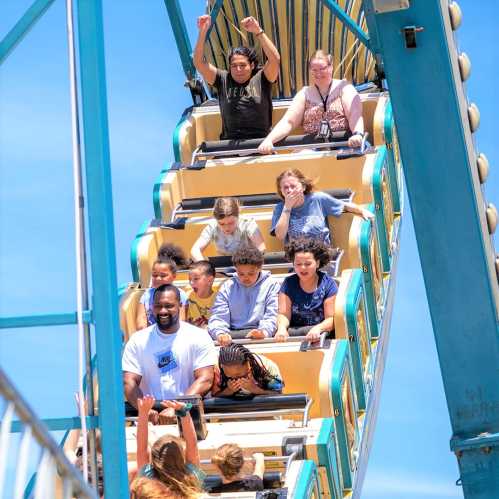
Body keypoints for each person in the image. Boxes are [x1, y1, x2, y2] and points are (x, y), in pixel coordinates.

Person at [123, 284, 216, 423]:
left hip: (189, 417)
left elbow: (205, 379)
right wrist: (144, 408)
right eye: (158, 306)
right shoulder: (138, 340)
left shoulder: (199, 336)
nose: (163, 311)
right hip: (150, 422)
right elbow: (128, 381)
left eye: (169, 306)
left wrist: (177, 408)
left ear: (180, 305)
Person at [258, 50, 365, 154]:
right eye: (314, 70)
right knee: (301, 156)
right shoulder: (304, 93)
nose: (318, 73)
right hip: (313, 146)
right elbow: (288, 122)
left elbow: (354, 113)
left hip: (342, 142)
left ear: (331, 67)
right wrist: (269, 140)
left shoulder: (344, 87)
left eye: (322, 68)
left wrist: (357, 134)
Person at [193, 14, 280, 140]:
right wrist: (202, 32)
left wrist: (258, 31)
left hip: (261, 145)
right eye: (234, 66)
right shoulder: (223, 79)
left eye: (242, 65)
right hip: (230, 147)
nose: (238, 70)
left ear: (252, 65)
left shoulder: (262, 77)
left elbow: (275, 59)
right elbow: (199, 63)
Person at [271, 169, 374, 244]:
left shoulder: (318, 199)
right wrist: (287, 207)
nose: (289, 190)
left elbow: (344, 206)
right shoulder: (280, 208)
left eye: (293, 186)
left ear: (303, 187)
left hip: (322, 256)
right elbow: (280, 235)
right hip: (298, 260)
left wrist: (361, 211)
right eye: (285, 188)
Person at [133, 394, 203, 498]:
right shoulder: (191, 477)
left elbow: (142, 449)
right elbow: (192, 443)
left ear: (154, 457)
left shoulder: (149, 479)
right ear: (181, 455)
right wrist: (183, 411)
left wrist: (143, 412)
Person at [208, 246, 279, 346]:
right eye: (241, 274)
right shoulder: (227, 286)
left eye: (251, 273)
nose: (246, 278)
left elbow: (273, 314)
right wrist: (220, 333)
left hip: (261, 339)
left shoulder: (272, 284)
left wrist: (263, 331)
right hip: (231, 338)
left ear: (260, 268)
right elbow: (218, 316)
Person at [276, 237, 338, 343]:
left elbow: (331, 319)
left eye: (308, 264)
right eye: (298, 264)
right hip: (295, 339)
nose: (303, 268)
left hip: (322, 339)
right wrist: (281, 328)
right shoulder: (288, 284)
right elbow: (284, 314)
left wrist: (318, 328)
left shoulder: (329, 284)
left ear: (317, 263)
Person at [190, 197, 265, 261]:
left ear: (238, 215)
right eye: (221, 224)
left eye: (231, 223)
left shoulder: (248, 223)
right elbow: (195, 250)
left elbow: (261, 248)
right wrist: (205, 267)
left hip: (248, 269)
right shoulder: (212, 226)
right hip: (224, 270)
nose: (227, 228)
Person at [212, 343, 284, 398]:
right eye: (229, 377)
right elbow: (214, 397)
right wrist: (229, 391)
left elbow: (279, 393)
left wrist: (255, 389)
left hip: (265, 412)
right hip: (232, 413)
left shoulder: (266, 367)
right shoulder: (217, 370)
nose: (236, 380)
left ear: (248, 362)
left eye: (241, 376)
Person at [136, 256, 188, 331]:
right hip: (151, 335)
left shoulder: (181, 295)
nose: (158, 279)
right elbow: (141, 321)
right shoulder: (146, 295)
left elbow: (181, 320)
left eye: (163, 275)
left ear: (174, 276)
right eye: (155, 275)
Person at [186, 260, 219, 328]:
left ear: (210, 280)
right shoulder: (188, 296)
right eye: (190, 279)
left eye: (196, 279)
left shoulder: (219, 299)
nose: (191, 283)